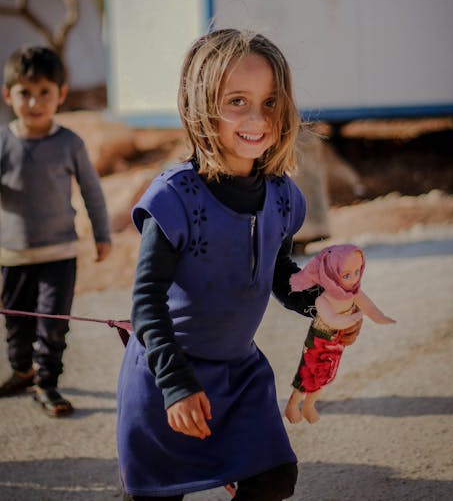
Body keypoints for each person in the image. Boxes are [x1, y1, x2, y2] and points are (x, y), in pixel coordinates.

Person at [116, 28, 362, 501]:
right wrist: (175, 384)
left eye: (270, 102)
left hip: (239, 375)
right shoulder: (172, 198)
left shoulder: (284, 196)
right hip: (167, 376)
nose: (257, 118)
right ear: (199, 105)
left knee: (273, 479)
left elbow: (277, 271)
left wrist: (324, 306)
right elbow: (146, 304)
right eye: (236, 101)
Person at [0, 46, 112, 416]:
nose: (34, 102)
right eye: (24, 93)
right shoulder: (3, 142)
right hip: (13, 255)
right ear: (8, 95)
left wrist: (102, 235)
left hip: (60, 254)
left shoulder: (70, 143)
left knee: (52, 324)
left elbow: (92, 192)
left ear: (61, 94)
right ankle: (21, 370)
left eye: (44, 92)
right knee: (17, 324)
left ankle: (47, 384)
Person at [285, 244, 395, 425]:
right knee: (308, 374)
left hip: (337, 340)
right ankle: (293, 404)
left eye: (357, 272)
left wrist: (380, 317)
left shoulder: (353, 292)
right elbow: (333, 320)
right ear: (330, 274)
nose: (353, 279)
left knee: (325, 375)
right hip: (320, 339)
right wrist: (356, 317)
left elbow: (370, 307)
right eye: (346, 275)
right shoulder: (324, 299)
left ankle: (309, 405)